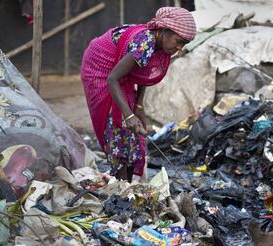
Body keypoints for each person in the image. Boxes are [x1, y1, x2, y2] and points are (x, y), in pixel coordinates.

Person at [81, 7, 196, 183]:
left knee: (132, 126)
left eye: (183, 44)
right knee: (117, 123)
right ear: (164, 30)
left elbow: (143, 73)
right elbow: (112, 79)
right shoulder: (145, 42)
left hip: (119, 73)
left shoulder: (160, 45)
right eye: (178, 41)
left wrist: (138, 106)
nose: (179, 48)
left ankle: (129, 183)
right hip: (101, 69)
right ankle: (123, 188)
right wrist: (129, 115)